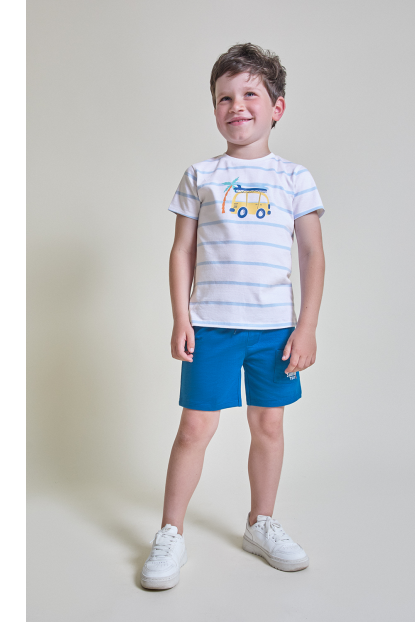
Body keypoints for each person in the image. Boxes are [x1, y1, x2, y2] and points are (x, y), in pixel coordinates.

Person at [140, 43, 325, 590]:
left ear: (277, 107)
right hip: (212, 326)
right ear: (214, 108)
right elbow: (181, 251)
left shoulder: (294, 178)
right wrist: (181, 317)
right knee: (195, 427)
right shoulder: (200, 175)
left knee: (269, 425)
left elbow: (312, 254)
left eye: (250, 94)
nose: (236, 106)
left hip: (275, 331)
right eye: (225, 97)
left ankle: (260, 523)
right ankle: (170, 532)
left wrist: (307, 326)